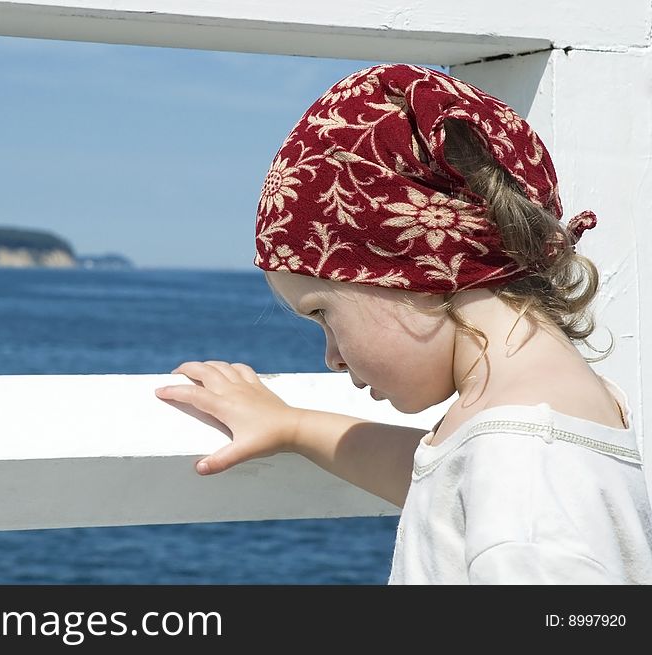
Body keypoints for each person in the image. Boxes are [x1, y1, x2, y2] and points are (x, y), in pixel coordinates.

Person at [153, 63, 652, 584]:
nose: (331, 357)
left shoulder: (525, 477)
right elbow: (438, 483)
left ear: (413, 272)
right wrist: (294, 427)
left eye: (323, 313)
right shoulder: (539, 423)